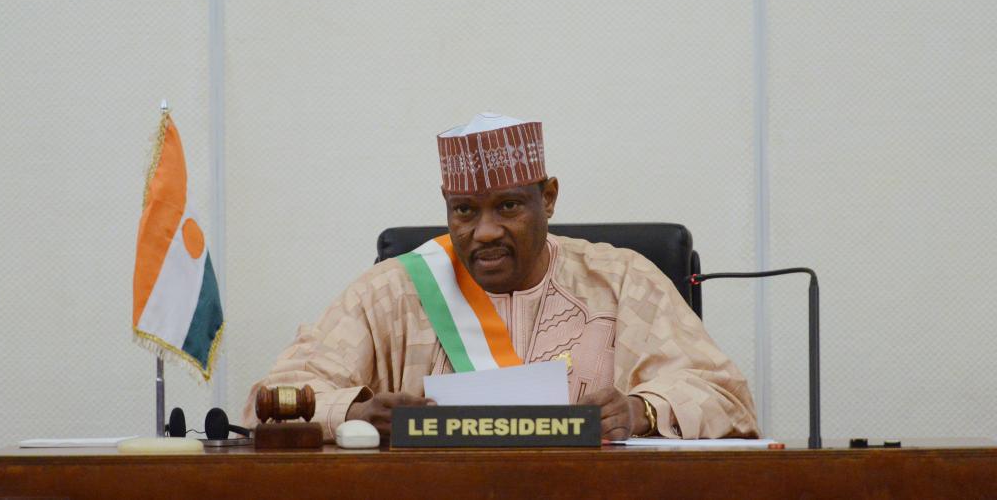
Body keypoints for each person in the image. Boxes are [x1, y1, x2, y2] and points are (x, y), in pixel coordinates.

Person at [243, 113, 758, 442]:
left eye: (508, 206)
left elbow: (725, 395)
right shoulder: (391, 292)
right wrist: (357, 411)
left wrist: (641, 412)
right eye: (464, 211)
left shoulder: (621, 281)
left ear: (548, 198)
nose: (484, 232)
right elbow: (270, 400)